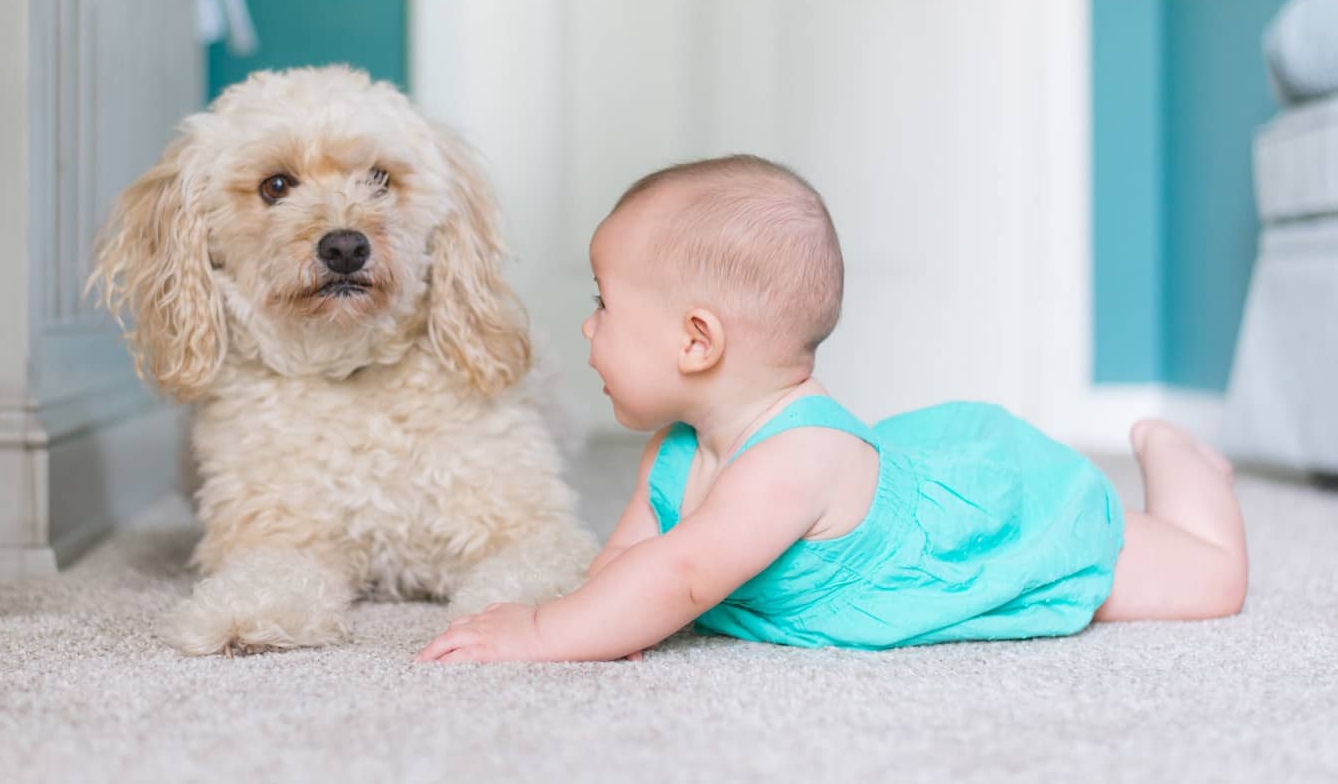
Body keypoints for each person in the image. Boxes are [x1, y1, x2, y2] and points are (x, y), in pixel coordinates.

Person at [418, 154, 1248, 663]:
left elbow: (681, 574)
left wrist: (540, 634)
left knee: (1209, 582)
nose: (588, 327)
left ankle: (1181, 461)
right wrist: (597, 619)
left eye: (605, 306)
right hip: (895, 476)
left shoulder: (790, 464)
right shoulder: (674, 451)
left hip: (987, 526)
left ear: (696, 342)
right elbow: (631, 565)